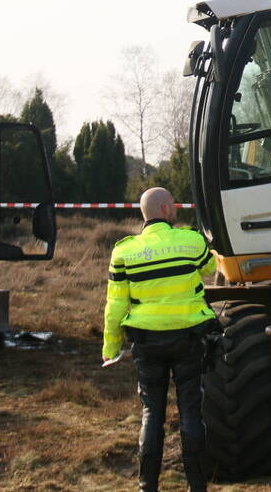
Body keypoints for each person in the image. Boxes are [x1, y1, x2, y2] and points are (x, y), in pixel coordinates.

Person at [102, 187, 216, 492]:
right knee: (191, 411)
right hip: (188, 340)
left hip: (147, 344)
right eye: (174, 205)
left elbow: (115, 306)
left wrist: (110, 347)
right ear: (166, 209)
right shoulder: (191, 241)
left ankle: (147, 486)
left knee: (152, 413)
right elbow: (211, 267)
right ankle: (196, 486)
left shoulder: (123, 251)